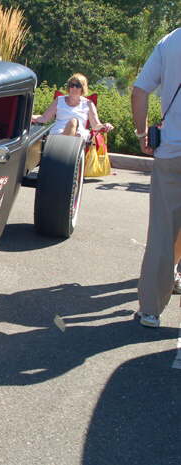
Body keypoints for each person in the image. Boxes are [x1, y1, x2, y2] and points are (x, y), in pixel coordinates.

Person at [131, 28, 181, 328]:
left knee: (163, 230)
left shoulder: (170, 41)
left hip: (173, 150)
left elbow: (139, 91)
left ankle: (150, 309)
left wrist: (141, 134)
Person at [32, 73, 114, 139]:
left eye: (78, 86)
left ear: (83, 88)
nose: (74, 88)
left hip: (78, 138)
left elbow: (95, 125)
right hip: (57, 134)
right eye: (72, 85)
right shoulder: (59, 100)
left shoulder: (88, 104)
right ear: (69, 87)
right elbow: (44, 118)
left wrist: (105, 125)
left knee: (73, 121)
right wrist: (28, 117)